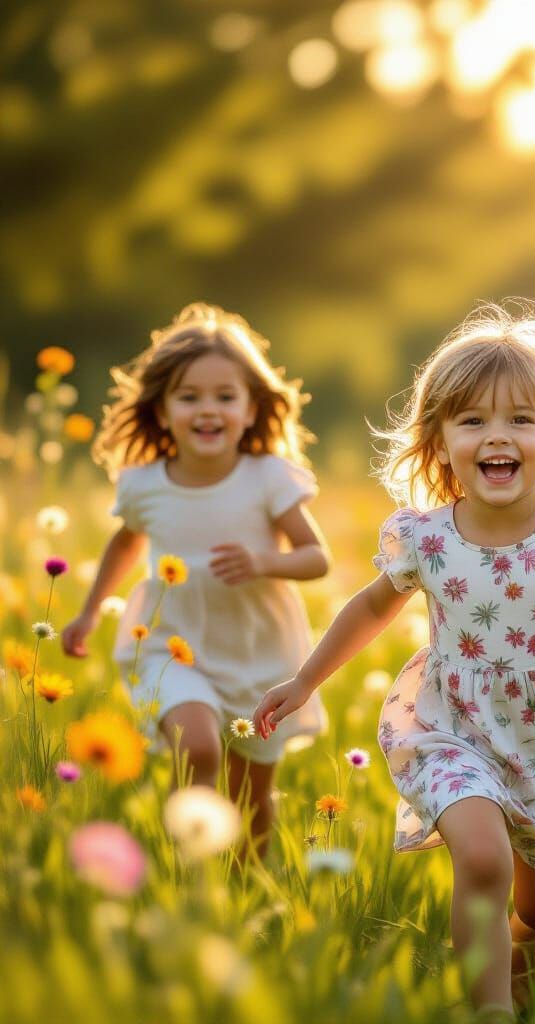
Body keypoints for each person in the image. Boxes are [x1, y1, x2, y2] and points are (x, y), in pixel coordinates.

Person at [253, 300, 535, 1019]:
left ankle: (519, 945)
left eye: (522, 419)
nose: (498, 436)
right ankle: (490, 1010)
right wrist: (305, 679)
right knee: (482, 859)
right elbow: (368, 609)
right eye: (472, 420)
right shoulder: (425, 539)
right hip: (452, 727)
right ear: (440, 441)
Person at [62, 302, 329, 855]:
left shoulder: (267, 479)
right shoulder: (144, 485)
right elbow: (125, 541)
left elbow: (315, 558)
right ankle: (188, 865)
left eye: (224, 397)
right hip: (170, 644)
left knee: (253, 797)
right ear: (161, 411)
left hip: (259, 652)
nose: (208, 410)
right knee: (200, 748)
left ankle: (244, 888)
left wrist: (263, 562)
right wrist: (90, 612)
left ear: (252, 408)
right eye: (189, 397)